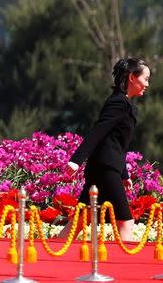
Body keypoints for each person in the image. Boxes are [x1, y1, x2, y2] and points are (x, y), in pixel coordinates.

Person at [58, 58, 150, 242]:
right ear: (132, 77)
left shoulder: (129, 107)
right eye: (145, 79)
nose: (147, 84)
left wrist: (124, 175)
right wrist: (76, 160)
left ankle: (52, 253)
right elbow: (98, 132)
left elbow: (119, 144)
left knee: (80, 220)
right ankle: (127, 267)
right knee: (126, 222)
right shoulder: (118, 103)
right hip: (105, 168)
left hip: (106, 167)